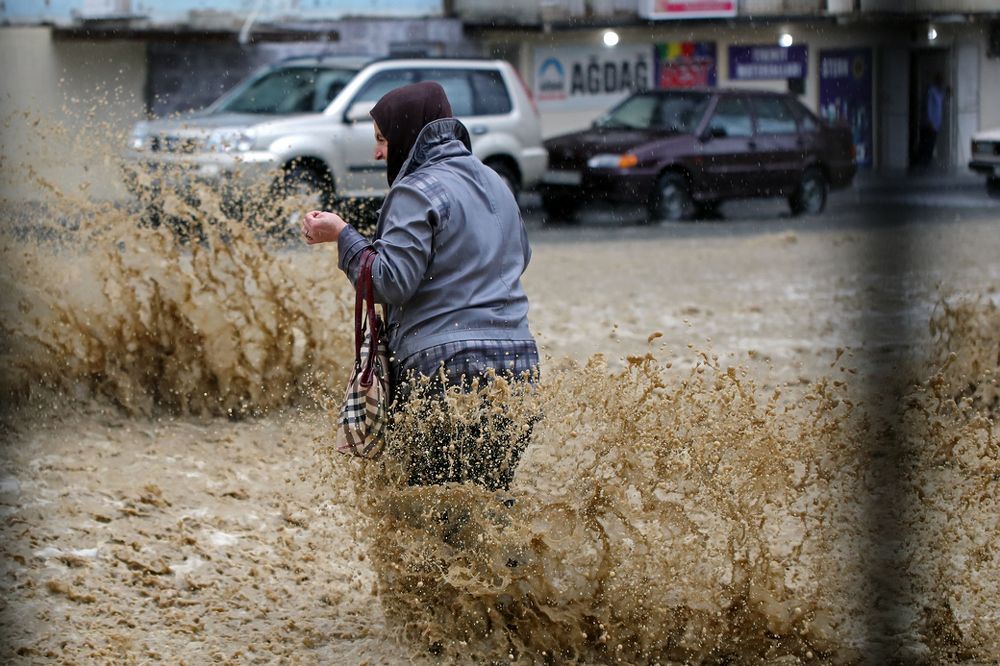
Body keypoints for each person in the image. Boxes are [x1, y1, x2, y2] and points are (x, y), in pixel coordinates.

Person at [301, 81, 539, 492]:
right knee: (488, 506)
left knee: (431, 516)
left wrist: (343, 236)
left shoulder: (416, 189)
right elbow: (521, 255)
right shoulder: (496, 183)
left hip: (446, 374)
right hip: (518, 371)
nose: (377, 153)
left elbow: (390, 281)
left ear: (408, 133)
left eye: (382, 139)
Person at [914, 72, 947, 168]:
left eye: (942, 81)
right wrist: (929, 122)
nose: (942, 83)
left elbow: (941, 101)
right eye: (940, 80)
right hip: (929, 125)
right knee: (926, 146)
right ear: (937, 81)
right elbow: (928, 108)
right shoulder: (931, 91)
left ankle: (926, 165)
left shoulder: (938, 92)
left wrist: (947, 93)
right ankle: (922, 165)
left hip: (935, 125)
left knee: (931, 146)